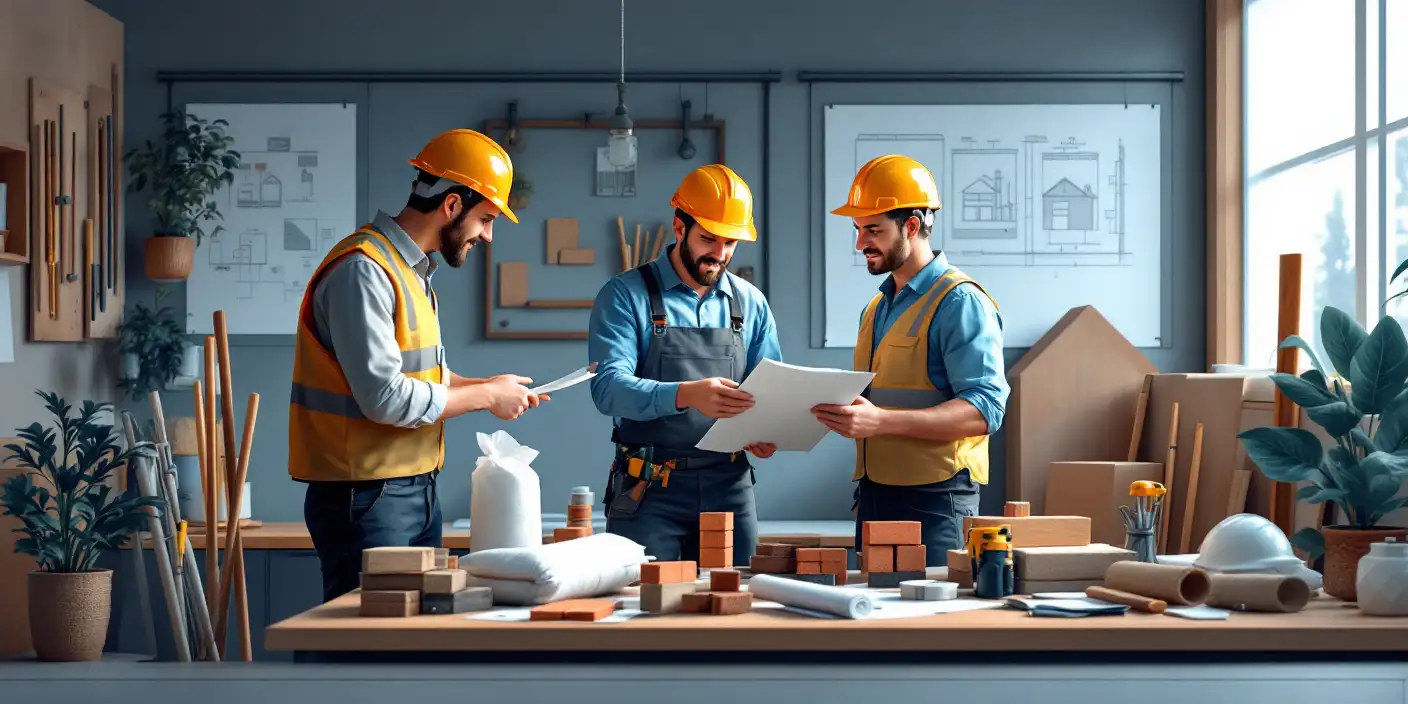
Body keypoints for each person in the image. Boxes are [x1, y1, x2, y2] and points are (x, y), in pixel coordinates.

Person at [289, 128, 546, 602]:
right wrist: (486, 397)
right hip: (365, 498)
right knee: (369, 638)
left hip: (411, 491)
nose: (487, 235)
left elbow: (422, 379)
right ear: (452, 205)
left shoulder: (410, 271)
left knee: (407, 635)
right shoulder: (364, 270)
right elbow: (385, 397)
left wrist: (488, 385)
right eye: (485, 219)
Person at [812, 154, 1009, 564]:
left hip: (937, 501)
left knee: (932, 608)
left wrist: (881, 421)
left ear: (912, 226)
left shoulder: (960, 302)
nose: (861, 244)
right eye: (858, 230)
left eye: (873, 230)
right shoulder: (876, 309)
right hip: (875, 494)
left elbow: (985, 409)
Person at [587, 164, 782, 566]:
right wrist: (686, 394)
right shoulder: (624, 295)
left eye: (730, 243)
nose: (720, 254)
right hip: (646, 486)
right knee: (640, 597)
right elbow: (607, 389)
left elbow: (772, 389)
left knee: (736, 595)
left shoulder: (751, 303)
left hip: (730, 485)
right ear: (680, 227)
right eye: (708, 239)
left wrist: (767, 430)